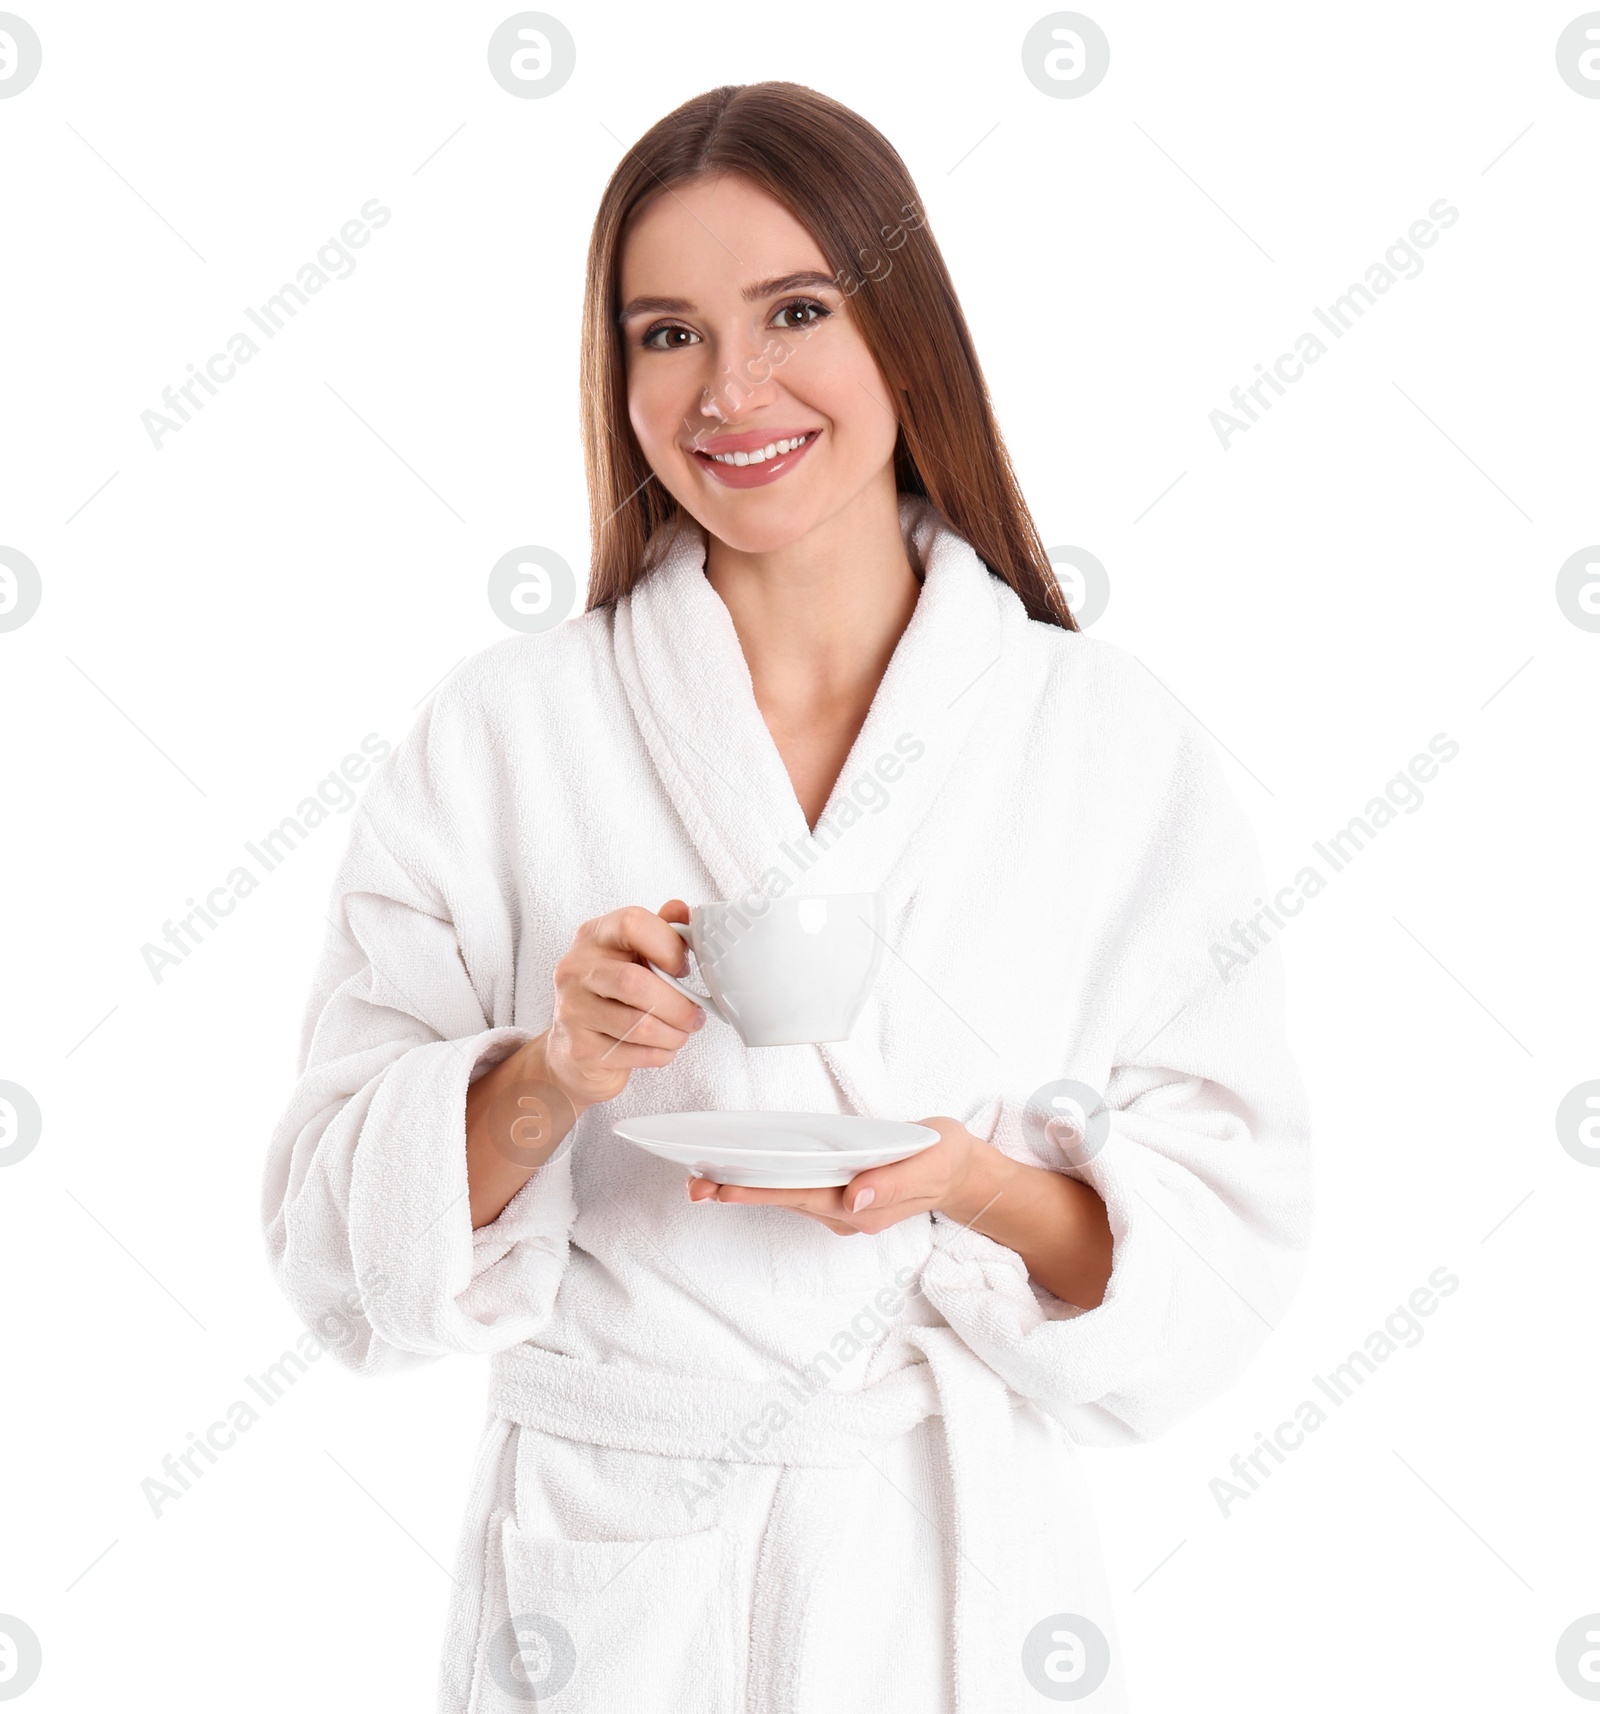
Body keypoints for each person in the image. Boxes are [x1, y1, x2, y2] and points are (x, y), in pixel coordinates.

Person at [262, 80, 1311, 1714]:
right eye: (667, 331)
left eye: (796, 312)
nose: (731, 389)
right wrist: (551, 1069)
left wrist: (971, 1184)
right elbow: (336, 1252)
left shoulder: (1106, 742)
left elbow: (1222, 1263)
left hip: (941, 1579)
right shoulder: (502, 731)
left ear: (906, 333)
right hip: (606, 1575)